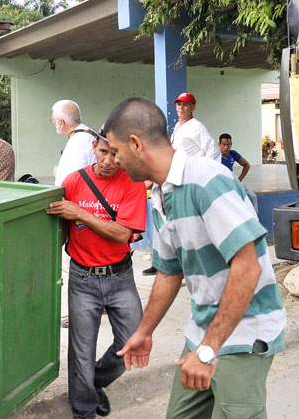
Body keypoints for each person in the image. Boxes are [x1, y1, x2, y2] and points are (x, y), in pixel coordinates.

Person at [104, 98, 286, 419]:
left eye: (116, 152)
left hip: (243, 333)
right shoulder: (161, 195)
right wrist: (145, 331)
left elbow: (249, 264)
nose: (115, 161)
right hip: (203, 330)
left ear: (136, 144)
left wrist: (208, 349)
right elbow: (169, 272)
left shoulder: (206, 180)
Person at [46, 132, 147, 419]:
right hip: (83, 278)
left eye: (116, 154)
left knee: (132, 342)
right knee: (81, 351)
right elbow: (60, 232)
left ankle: (95, 381)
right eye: (103, 152)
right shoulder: (73, 182)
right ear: (94, 147)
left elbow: (122, 233)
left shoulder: (132, 183)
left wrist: (81, 213)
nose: (109, 161)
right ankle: (84, 410)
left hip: (120, 277)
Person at [52, 99, 97, 186]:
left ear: (61, 122)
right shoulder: (85, 135)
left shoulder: (79, 142)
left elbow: (75, 178)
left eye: (53, 120)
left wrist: (58, 174)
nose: (53, 123)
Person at [170, 92, 220, 161]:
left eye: (185, 105)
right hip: (178, 169)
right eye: (179, 104)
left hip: (191, 170)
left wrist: (203, 169)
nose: (181, 108)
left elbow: (214, 150)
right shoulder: (177, 125)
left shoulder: (197, 127)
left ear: (193, 107)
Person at [218, 133, 257, 206]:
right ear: (219, 144)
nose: (226, 147)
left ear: (231, 144)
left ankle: (255, 217)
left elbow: (246, 165)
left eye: (228, 144)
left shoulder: (233, 153)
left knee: (253, 196)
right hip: (221, 185)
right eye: (224, 144)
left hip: (233, 183)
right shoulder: (215, 156)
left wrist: (239, 180)